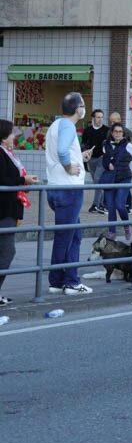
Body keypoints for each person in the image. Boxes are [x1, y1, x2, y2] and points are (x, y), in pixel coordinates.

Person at [44, 92, 94, 295]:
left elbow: (62, 152)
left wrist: (79, 158)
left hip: (55, 186)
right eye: (82, 105)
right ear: (77, 109)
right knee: (66, 236)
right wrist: (69, 167)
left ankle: (59, 280)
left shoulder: (55, 125)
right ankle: (69, 282)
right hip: (68, 188)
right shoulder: (67, 126)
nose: (84, 109)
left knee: (72, 235)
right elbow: (63, 152)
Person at [1, 119, 39, 305]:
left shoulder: (8, 153)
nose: (14, 136)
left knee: (6, 251)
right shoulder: (1, 154)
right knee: (7, 251)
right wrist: (23, 179)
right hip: (4, 209)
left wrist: (23, 180)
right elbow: (5, 178)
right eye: (10, 133)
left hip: (9, 207)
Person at [101, 122, 132, 243]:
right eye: (115, 131)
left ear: (123, 133)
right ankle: (112, 233)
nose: (118, 134)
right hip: (109, 179)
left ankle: (127, 226)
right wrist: (108, 165)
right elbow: (105, 160)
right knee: (111, 207)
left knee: (120, 204)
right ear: (112, 133)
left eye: (120, 132)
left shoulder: (127, 145)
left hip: (124, 177)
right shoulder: (105, 144)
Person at [82, 109, 108, 214]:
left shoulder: (107, 130)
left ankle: (95, 204)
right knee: (96, 182)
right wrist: (85, 160)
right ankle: (102, 204)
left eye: (102, 117)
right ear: (93, 118)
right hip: (91, 158)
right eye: (98, 117)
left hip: (101, 158)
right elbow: (83, 144)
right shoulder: (87, 130)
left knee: (98, 180)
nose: (100, 119)